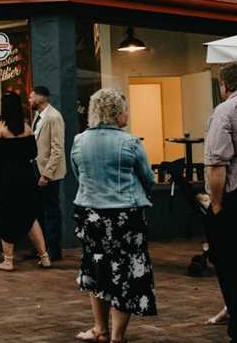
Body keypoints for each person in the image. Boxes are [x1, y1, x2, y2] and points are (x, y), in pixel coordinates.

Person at [71, 88, 156, 343]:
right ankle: (117, 335)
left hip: (90, 213)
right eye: (125, 109)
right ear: (117, 113)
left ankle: (100, 328)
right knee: (126, 272)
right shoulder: (130, 142)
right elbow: (148, 178)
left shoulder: (79, 141)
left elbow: (79, 176)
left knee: (97, 267)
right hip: (125, 216)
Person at [0, 92, 50, 271]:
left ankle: (8, 260)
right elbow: (33, 154)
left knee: (6, 216)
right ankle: (44, 257)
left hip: (6, 179)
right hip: (26, 177)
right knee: (30, 216)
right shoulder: (27, 128)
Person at [204, 62, 237, 342]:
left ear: (224, 85)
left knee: (233, 267)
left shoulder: (226, 110)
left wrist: (217, 206)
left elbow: (217, 165)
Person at [29, 86, 66, 261]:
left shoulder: (54, 117)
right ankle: (40, 248)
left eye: (31, 97)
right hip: (37, 170)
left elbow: (57, 149)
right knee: (38, 210)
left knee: (51, 211)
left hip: (48, 173)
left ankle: (54, 250)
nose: (29, 100)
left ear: (40, 97)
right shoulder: (38, 116)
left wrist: (47, 174)